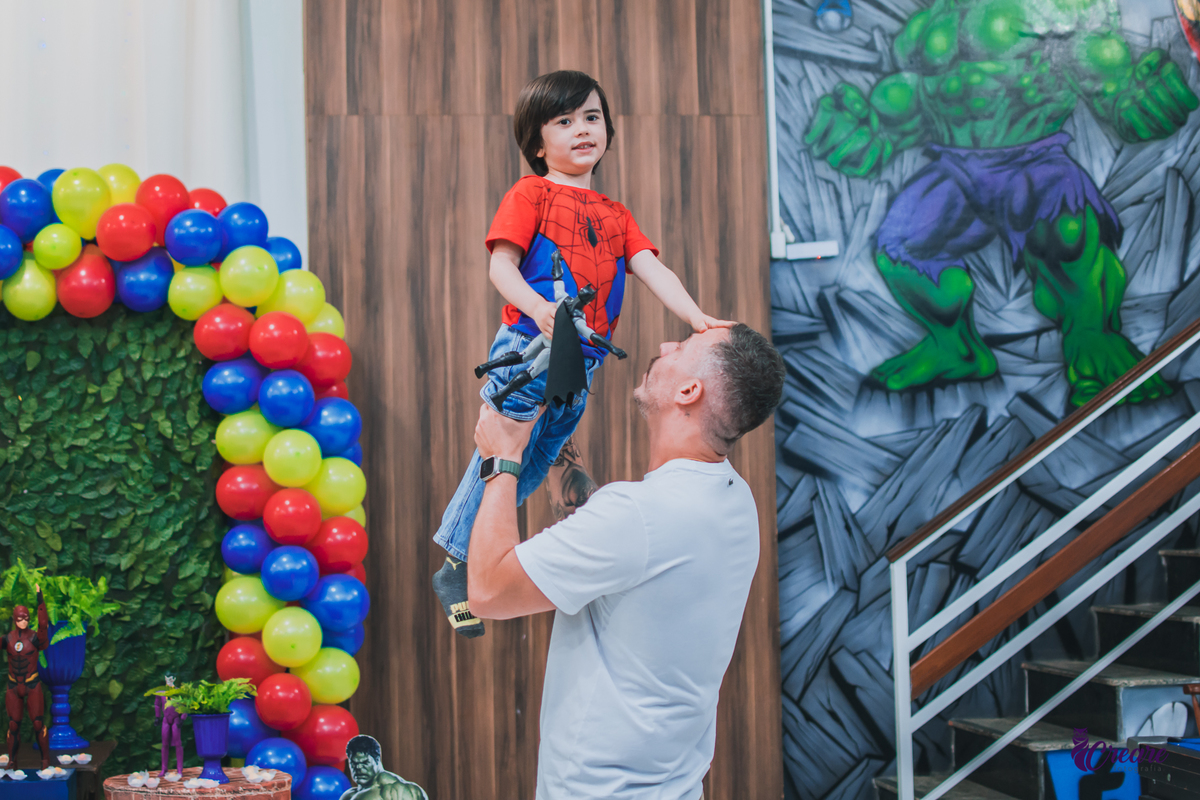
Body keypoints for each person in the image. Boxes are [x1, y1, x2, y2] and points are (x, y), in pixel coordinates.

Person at [432, 69, 732, 638]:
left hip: (583, 358)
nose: (581, 130)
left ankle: (471, 546)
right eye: (563, 121)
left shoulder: (616, 214)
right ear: (537, 143)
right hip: (529, 346)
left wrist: (696, 317)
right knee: (502, 450)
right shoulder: (531, 193)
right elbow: (501, 265)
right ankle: (456, 561)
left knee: (539, 454)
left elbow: (651, 268)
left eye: (591, 117)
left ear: (609, 130)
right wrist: (540, 310)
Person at [468, 323, 785, 800]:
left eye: (680, 348)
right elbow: (609, 541)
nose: (664, 346)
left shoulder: (639, 515)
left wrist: (503, 458)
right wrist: (556, 431)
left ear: (689, 390)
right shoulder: (734, 499)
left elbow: (489, 592)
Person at [2, 584, 49, 769]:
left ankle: (45, 760)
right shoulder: (8, 638)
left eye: (26, 618)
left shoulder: (35, 638)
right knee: (13, 725)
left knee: (38, 723)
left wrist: (40, 600)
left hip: (32, 683)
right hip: (13, 685)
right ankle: (12, 761)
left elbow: (43, 626)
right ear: (14, 619)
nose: (24, 621)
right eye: (20, 618)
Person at [340, 734, 428, 800]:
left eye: (365, 762)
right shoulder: (348, 795)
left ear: (377, 760)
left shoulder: (397, 791)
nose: (358, 767)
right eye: (354, 763)